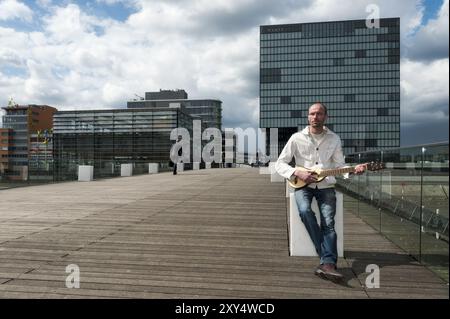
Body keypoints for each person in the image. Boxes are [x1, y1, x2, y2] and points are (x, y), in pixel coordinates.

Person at [275, 102, 366, 282]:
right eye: (312, 114)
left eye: (319, 114)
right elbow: (280, 163)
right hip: (302, 185)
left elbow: (340, 166)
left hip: (326, 186)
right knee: (304, 211)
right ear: (308, 117)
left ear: (326, 117)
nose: (315, 117)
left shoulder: (334, 139)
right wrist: (296, 171)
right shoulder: (296, 138)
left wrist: (354, 170)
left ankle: (328, 264)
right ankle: (326, 258)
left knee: (329, 223)